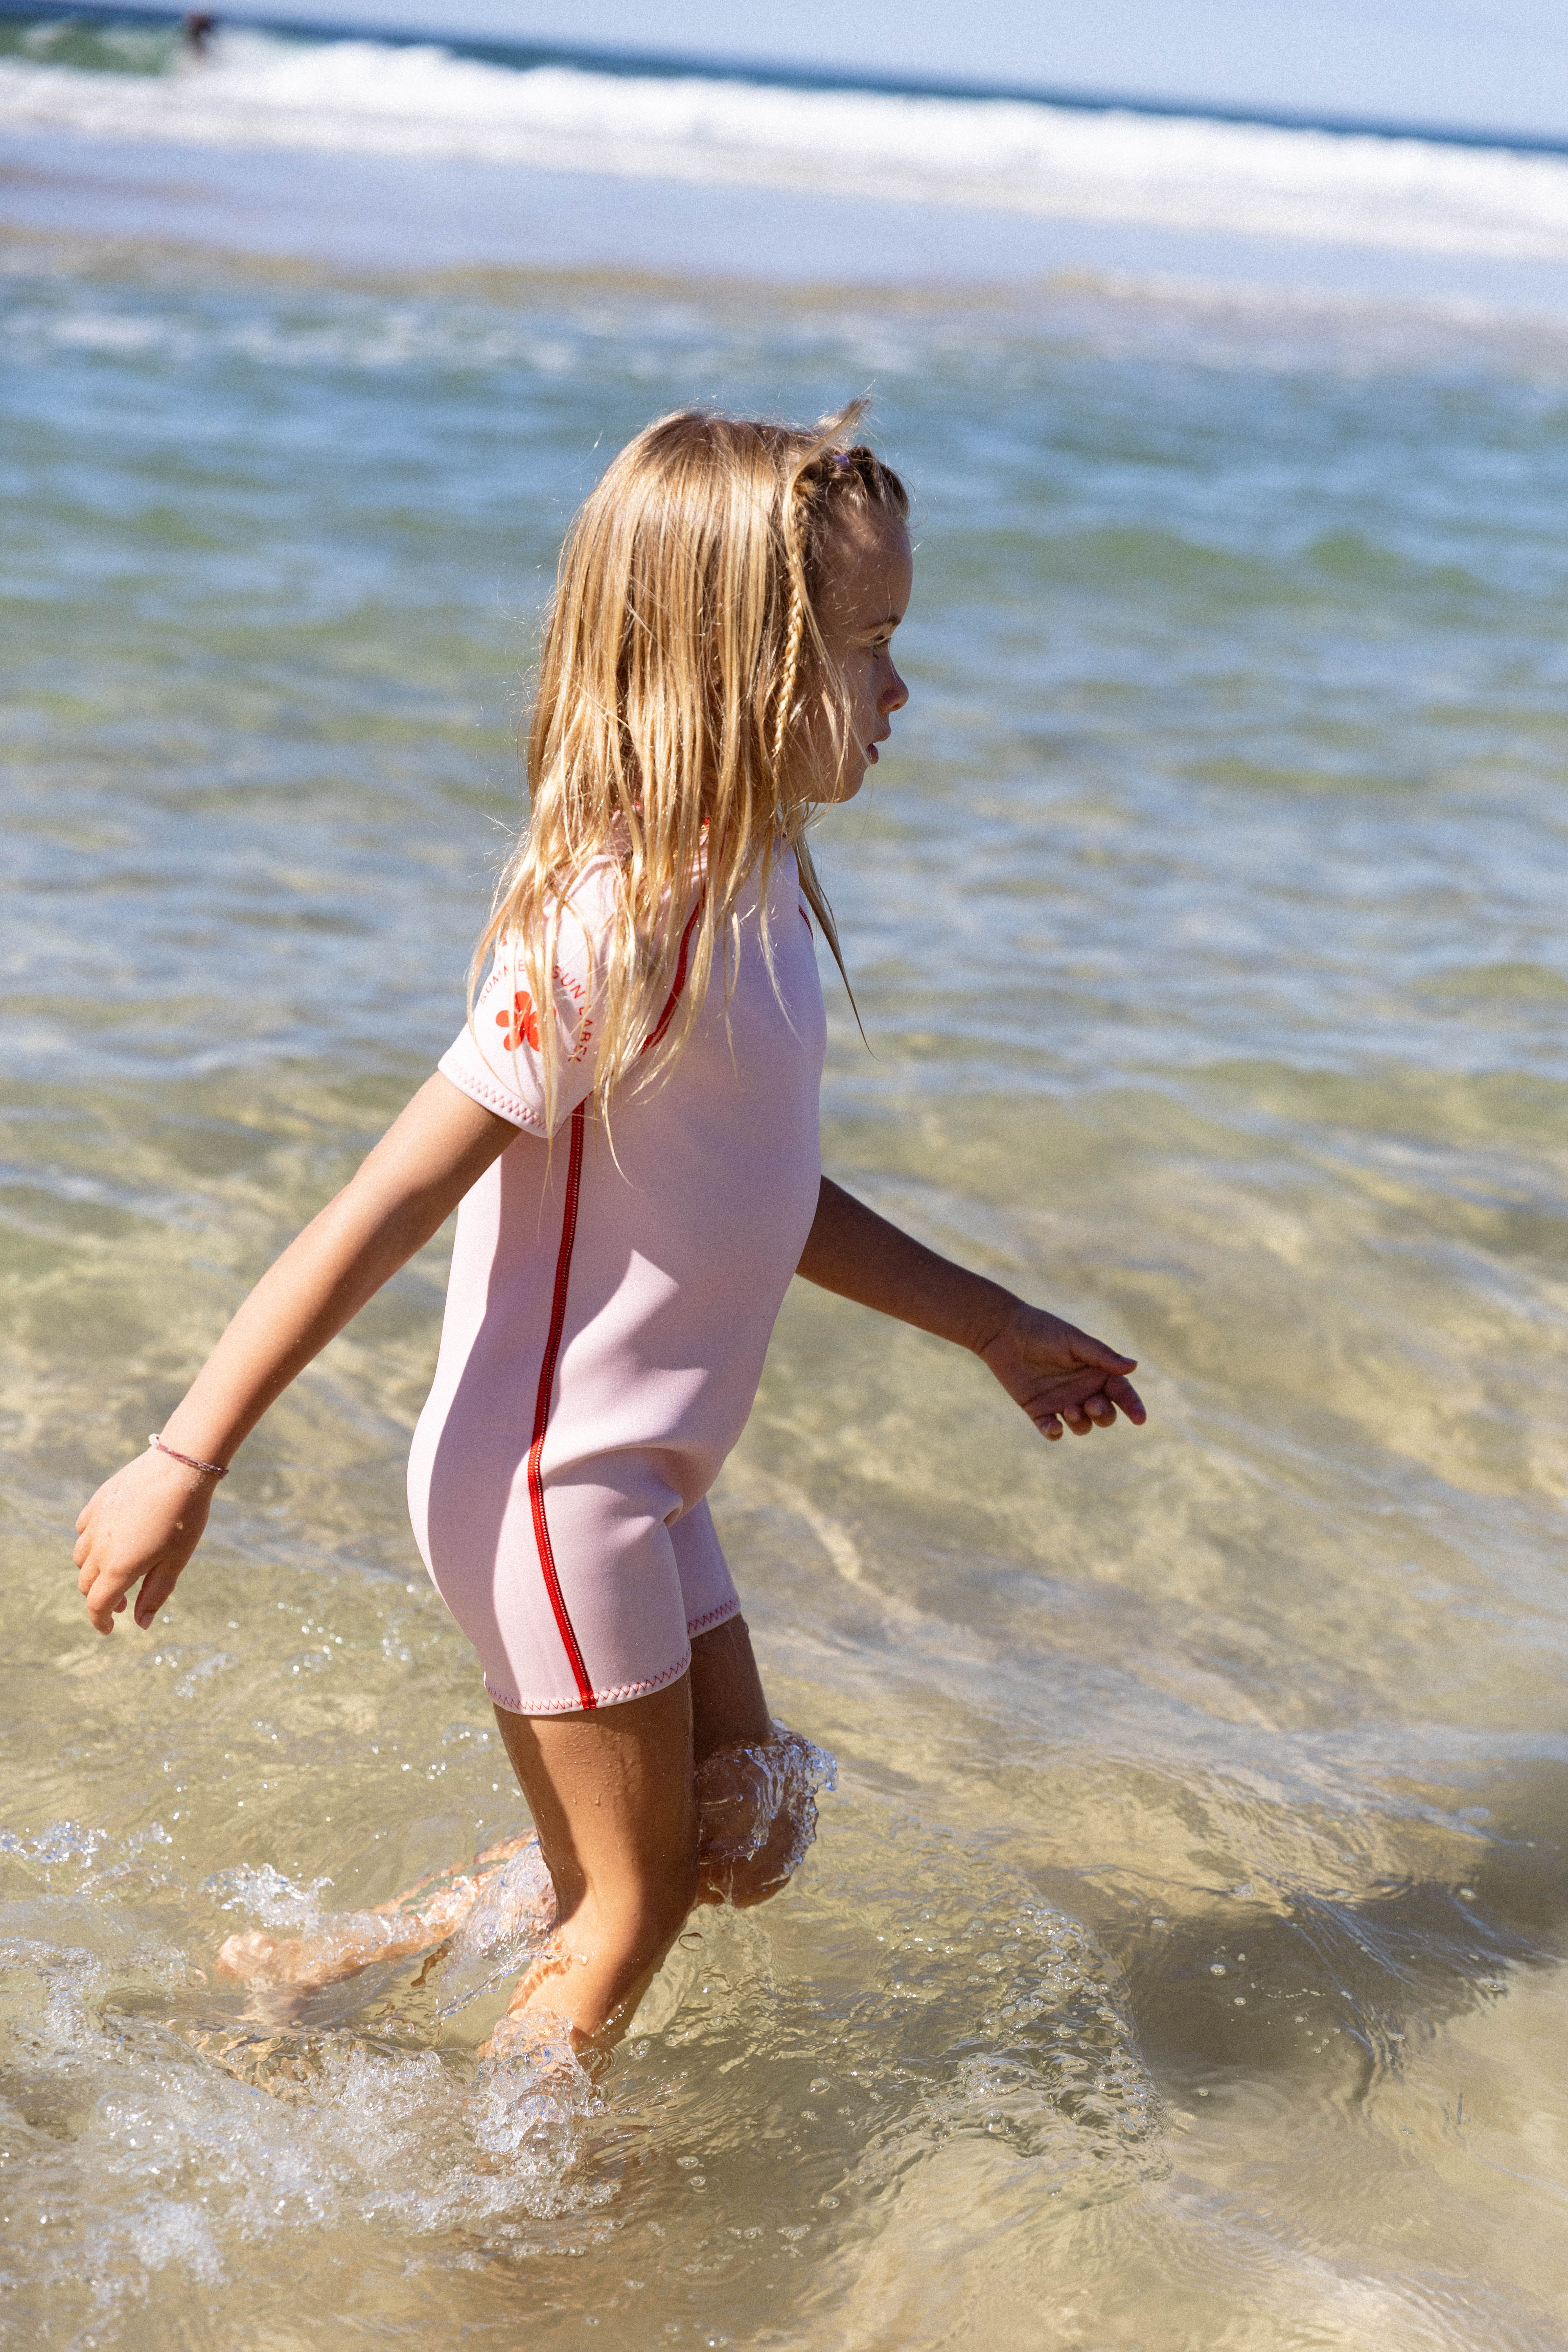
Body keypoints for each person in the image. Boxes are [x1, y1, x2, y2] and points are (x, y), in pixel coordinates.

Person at [73, 407, 1145, 2063]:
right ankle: (512, 2259)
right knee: (628, 1918)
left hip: (636, 1481)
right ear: (728, 666)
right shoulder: (618, 917)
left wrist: (990, 1326)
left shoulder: (759, 884)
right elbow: (389, 1194)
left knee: (737, 1829)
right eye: (865, 650)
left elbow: (759, 1191)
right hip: (556, 1491)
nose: (902, 693)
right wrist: (183, 1458)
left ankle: (320, 1968)